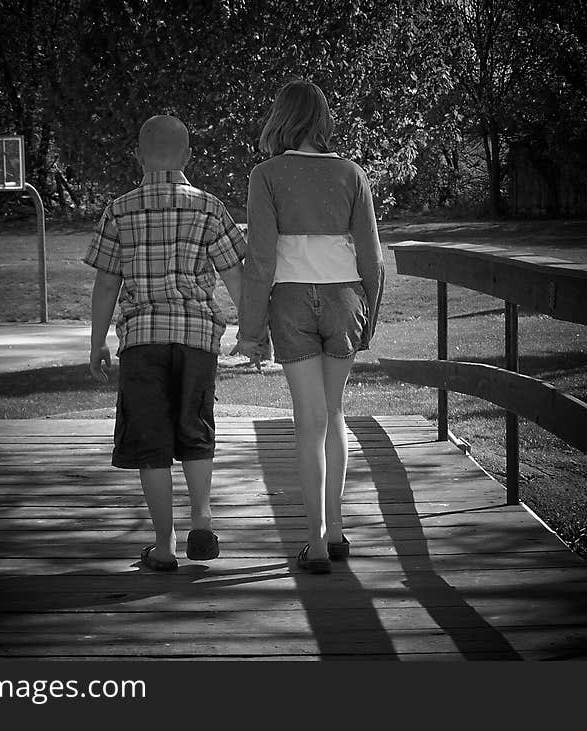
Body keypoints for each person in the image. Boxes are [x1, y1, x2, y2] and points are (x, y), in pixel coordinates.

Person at [84, 114, 247, 571]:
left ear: (138, 156)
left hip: (142, 341)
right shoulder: (210, 208)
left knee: (150, 442)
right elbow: (237, 276)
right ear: (189, 156)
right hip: (197, 339)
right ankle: (202, 516)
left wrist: (97, 341)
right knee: (196, 428)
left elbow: (105, 285)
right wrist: (256, 331)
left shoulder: (119, 209)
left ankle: (164, 544)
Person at [236, 80, 385, 574]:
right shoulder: (352, 174)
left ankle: (315, 541)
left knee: (309, 419)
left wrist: (250, 330)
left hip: (291, 303)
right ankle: (338, 530)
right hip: (346, 298)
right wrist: (370, 316)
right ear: (322, 119)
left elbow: (259, 260)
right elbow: (372, 259)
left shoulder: (266, 175)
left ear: (281, 117)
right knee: (335, 412)